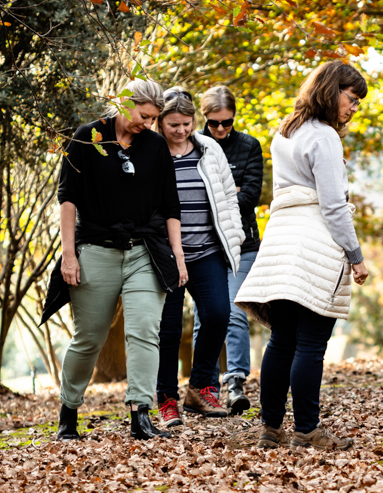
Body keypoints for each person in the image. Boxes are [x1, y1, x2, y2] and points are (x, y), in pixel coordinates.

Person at [234, 60, 370, 450]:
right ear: (331, 90)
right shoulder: (325, 137)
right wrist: (355, 255)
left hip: (281, 241)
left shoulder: (286, 130)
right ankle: (308, 429)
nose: (354, 107)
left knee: (282, 339)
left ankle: (270, 428)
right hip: (314, 244)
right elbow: (332, 205)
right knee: (311, 343)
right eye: (351, 97)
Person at [53, 79, 185, 441]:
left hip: (145, 252)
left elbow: (170, 205)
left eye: (154, 118)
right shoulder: (86, 138)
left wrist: (178, 255)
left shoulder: (156, 147)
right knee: (89, 338)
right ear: (124, 103)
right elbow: (68, 200)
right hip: (96, 250)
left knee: (145, 331)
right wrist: (69, 255)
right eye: (144, 115)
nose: (148, 123)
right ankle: (69, 411)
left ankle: (140, 415)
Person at [153, 87, 245, 428]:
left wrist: (233, 237)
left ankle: (201, 388)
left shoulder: (210, 149)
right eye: (173, 124)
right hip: (165, 256)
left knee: (219, 314)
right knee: (169, 330)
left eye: (186, 124)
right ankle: (166, 399)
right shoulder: (152, 152)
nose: (180, 131)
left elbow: (226, 197)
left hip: (207, 250)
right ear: (161, 123)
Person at [196, 85, 264, 415]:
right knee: (205, 316)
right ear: (204, 119)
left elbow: (250, 196)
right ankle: (203, 386)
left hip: (243, 243)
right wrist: (227, 194)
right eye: (214, 123)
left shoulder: (249, 146)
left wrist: (214, 198)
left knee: (235, 311)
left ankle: (234, 381)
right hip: (204, 245)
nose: (221, 129)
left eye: (227, 122)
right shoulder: (192, 145)